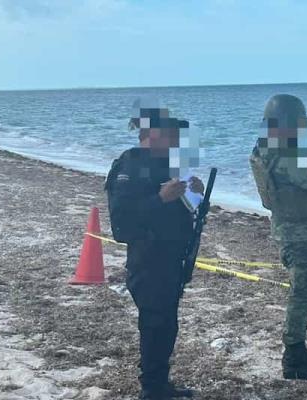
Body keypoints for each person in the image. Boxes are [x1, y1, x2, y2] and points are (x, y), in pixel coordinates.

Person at [105, 102, 203, 399]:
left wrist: (194, 194)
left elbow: (183, 212)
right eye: (171, 133)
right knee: (155, 325)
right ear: (154, 134)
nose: (176, 139)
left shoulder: (167, 165)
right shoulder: (129, 165)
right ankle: (151, 390)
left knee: (166, 327)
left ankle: (160, 385)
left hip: (173, 261)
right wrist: (160, 198)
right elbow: (121, 226)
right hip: (148, 263)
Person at [248, 94, 307, 380]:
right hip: (300, 234)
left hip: (288, 228)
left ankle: (297, 348)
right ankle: (294, 357)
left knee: (301, 292)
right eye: (298, 123)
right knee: (302, 294)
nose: (302, 128)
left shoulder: (269, 148)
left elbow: (304, 171)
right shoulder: (287, 154)